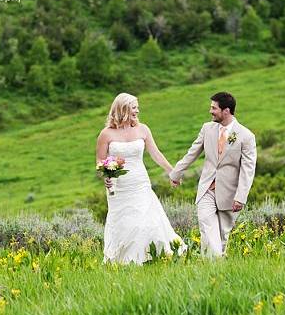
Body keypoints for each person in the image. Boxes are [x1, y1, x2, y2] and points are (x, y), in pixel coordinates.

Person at [96, 92, 187, 264]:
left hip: (140, 182)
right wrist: (105, 176)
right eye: (134, 108)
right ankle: (123, 260)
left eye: (137, 107)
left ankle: (151, 255)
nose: (137, 111)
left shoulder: (143, 129)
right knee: (124, 221)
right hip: (118, 186)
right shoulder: (106, 134)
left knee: (145, 219)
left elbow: (156, 154)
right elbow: (100, 161)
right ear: (122, 109)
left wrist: (172, 172)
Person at [169, 91, 257, 257]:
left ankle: (215, 269)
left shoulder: (246, 136)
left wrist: (241, 196)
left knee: (222, 236)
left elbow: (248, 169)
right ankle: (215, 263)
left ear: (226, 111)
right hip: (207, 189)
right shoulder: (207, 128)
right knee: (206, 226)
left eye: (214, 108)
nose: (210, 111)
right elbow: (192, 152)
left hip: (230, 194)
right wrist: (176, 173)